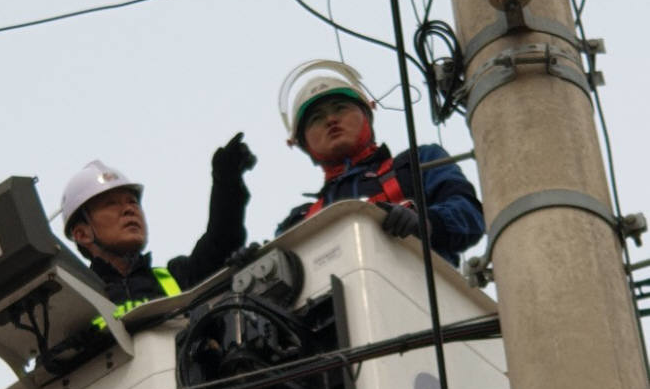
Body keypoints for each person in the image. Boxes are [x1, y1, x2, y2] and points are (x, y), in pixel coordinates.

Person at [276, 62, 484, 266]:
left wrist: (425, 222)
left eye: (340, 108)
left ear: (367, 115)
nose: (331, 119)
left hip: (422, 294)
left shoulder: (418, 163)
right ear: (303, 142)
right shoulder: (298, 222)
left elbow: (470, 213)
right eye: (316, 118)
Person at [61, 133, 256, 314]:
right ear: (82, 234)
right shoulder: (74, 305)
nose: (129, 209)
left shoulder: (177, 277)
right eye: (111, 204)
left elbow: (221, 241)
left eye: (132, 201)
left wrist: (226, 180)